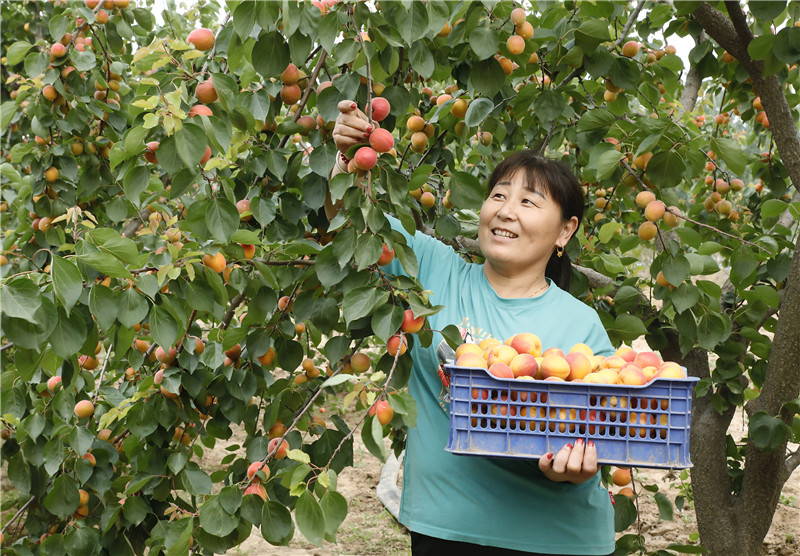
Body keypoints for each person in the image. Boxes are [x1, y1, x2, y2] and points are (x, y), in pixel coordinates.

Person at [329, 101, 616, 556]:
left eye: (528, 202)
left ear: (565, 232)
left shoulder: (579, 323)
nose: (505, 210)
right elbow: (355, 219)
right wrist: (348, 157)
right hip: (446, 530)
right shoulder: (432, 270)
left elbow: (604, 432)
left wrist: (580, 466)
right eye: (499, 195)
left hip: (558, 539)